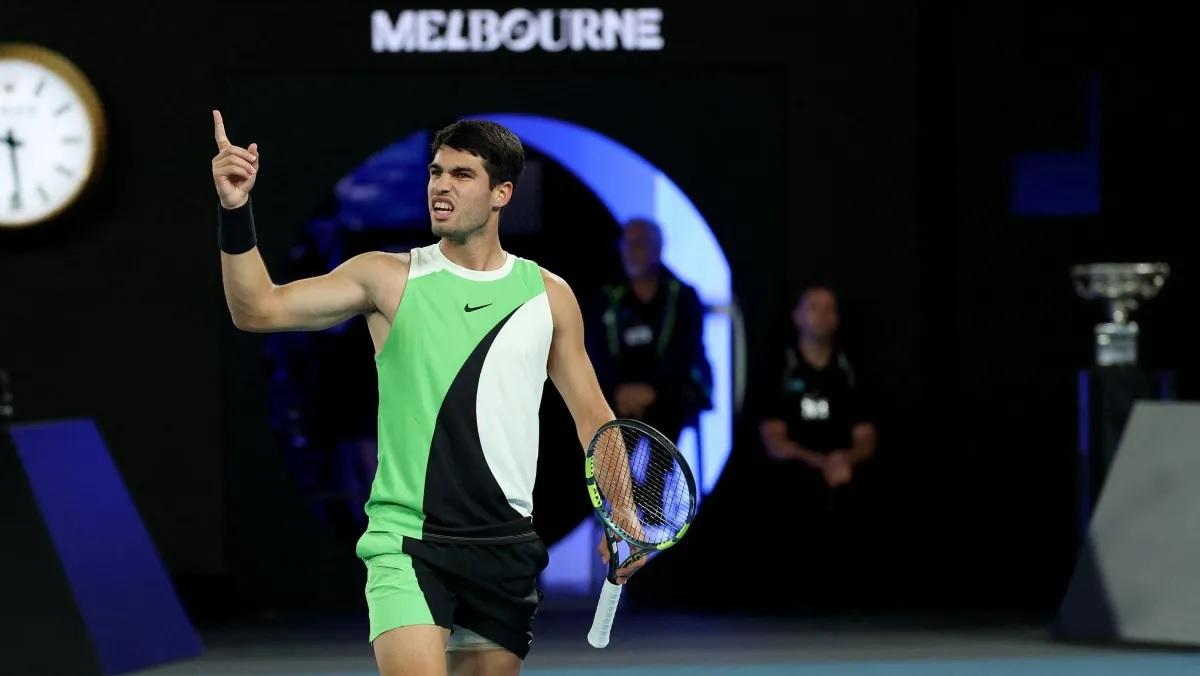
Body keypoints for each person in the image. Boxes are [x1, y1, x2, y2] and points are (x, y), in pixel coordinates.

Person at [210, 111, 644, 676]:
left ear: (501, 193)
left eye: (462, 175)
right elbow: (256, 309)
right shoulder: (386, 277)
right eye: (436, 172)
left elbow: (595, 419)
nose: (441, 185)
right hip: (407, 541)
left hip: (504, 545)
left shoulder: (548, 295)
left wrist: (624, 516)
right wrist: (235, 210)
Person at [589, 218, 712, 443]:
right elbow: (596, 353)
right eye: (626, 244)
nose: (631, 251)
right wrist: (619, 389)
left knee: (671, 405)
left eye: (639, 243)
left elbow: (685, 354)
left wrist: (652, 390)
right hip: (618, 393)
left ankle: (659, 474)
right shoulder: (609, 297)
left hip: (668, 392)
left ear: (657, 248)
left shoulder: (682, 296)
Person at [758, 285, 877, 497]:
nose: (823, 315)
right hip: (792, 484)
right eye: (814, 308)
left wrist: (846, 459)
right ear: (797, 316)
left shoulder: (852, 372)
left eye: (829, 309)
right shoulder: (778, 371)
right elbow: (774, 442)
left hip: (844, 480)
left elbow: (866, 437)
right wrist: (822, 463)